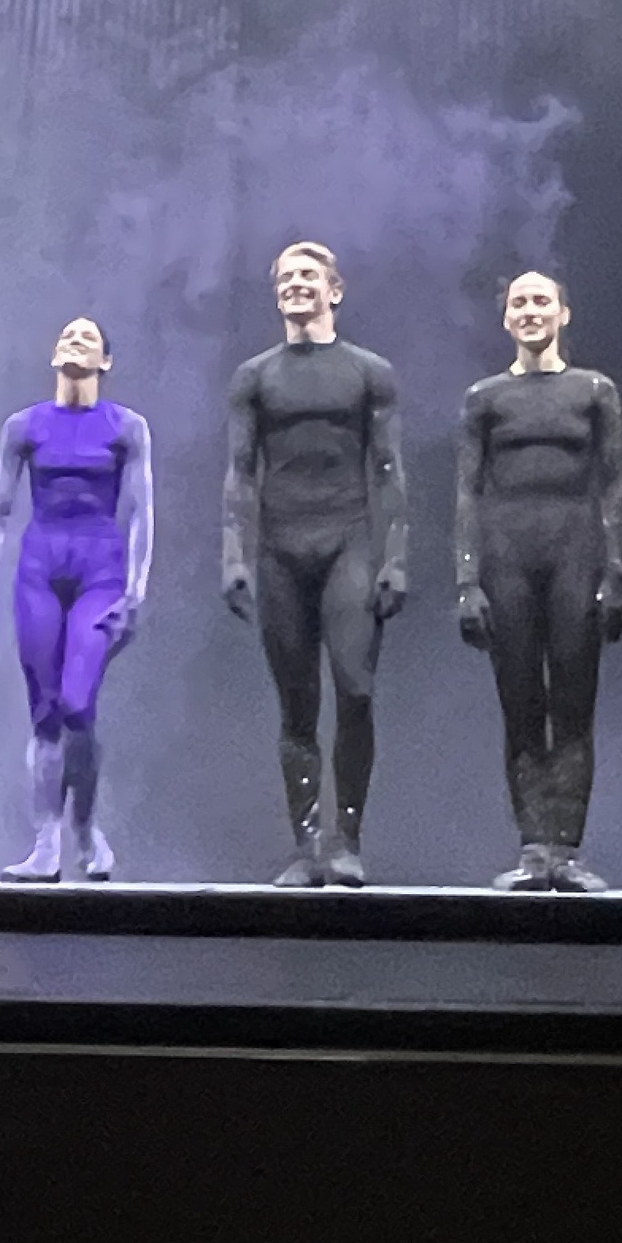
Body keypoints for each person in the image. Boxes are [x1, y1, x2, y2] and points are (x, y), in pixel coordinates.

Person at [223, 242, 407, 887]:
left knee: (355, 690)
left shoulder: (368, 371)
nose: (296, 284)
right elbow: (241, 472)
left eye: (308, 275)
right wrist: (234, 556)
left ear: (335, 290)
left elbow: (388, 470)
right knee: (296, 703)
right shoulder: (254, 377)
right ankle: (305, 849)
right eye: (285, 277)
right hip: (280, 547)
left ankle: (345, 840)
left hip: (347, 540)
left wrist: (395, 559)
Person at [456, 271, 622, 893]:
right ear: (506, 319)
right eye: (520, 303)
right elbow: (468, 491)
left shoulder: (593, 391)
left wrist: (617, 571)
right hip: (507, 562)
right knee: (522, 704)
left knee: (574, 707)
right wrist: (467, 580)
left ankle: (568, 852)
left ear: (564, 313)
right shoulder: (485, 398)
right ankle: (533, 850)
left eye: (541, 301)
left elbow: (613, 483)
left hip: (575, 559)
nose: (531, 311)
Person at [0, 316, 154, 882]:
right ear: (53, 356)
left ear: (105, 362)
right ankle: (46, 842)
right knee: (46, 712)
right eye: (68, 336)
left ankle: (86, 828)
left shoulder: (127, 428)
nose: (76, 341)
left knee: (77, 702)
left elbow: (142, 510)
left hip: (100, 569)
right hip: (40, 568)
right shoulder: (25, 426)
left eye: (89, 338)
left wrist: (137, 587)